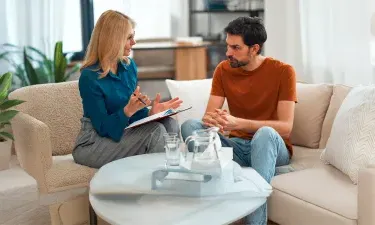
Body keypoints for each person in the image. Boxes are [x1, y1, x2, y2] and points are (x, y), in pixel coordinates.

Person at [181, 17, 297, 225]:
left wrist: (239, 123)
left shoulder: (283, 72)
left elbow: (286, 128)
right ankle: (213, 203)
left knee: (265, 133)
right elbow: (209, 119)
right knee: (190, 126)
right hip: (237, 147)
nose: (228, 53)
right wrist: (215, 120)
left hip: (271, 145)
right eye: (228, 45)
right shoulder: (224, 70)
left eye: (236, 48)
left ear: (254, 49)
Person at [72, 10, 182, 169]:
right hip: (94, 142)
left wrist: (151, 112)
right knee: (155, 132)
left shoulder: (129, 67)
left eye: (133, 36)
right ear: (113, 40)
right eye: (129, 38)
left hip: (122, 132)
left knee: (169, 124)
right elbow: (102, 127)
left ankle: (171, 174)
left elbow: (131, 115)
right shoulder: (90, 77)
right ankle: (160, 182)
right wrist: (127, 111)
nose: (134, 42)